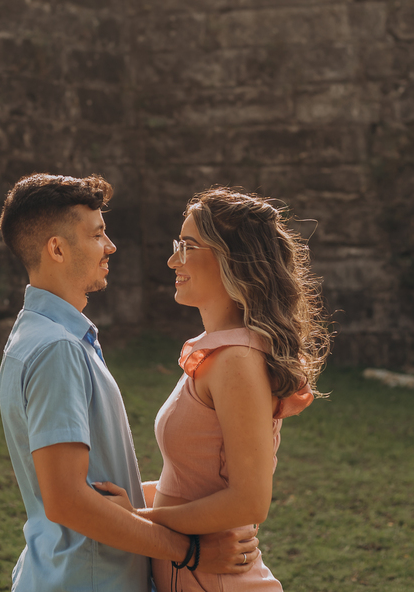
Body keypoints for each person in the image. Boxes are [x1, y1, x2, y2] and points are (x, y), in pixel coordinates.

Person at [0, 173, 264, 592]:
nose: (111, 246)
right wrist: (189, 551)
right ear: (57, 249)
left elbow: (89, 484)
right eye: (98, 234)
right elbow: (68, 500)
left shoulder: (39, 334)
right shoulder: (57, 349)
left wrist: (148, 501)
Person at [95, 187, 331, 591]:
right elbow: (191, 481)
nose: (172, 260)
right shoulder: (220, 350)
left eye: (186, 247)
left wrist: (136, 517)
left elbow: (249, 501)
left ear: (231, 259)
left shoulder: (237, 361)